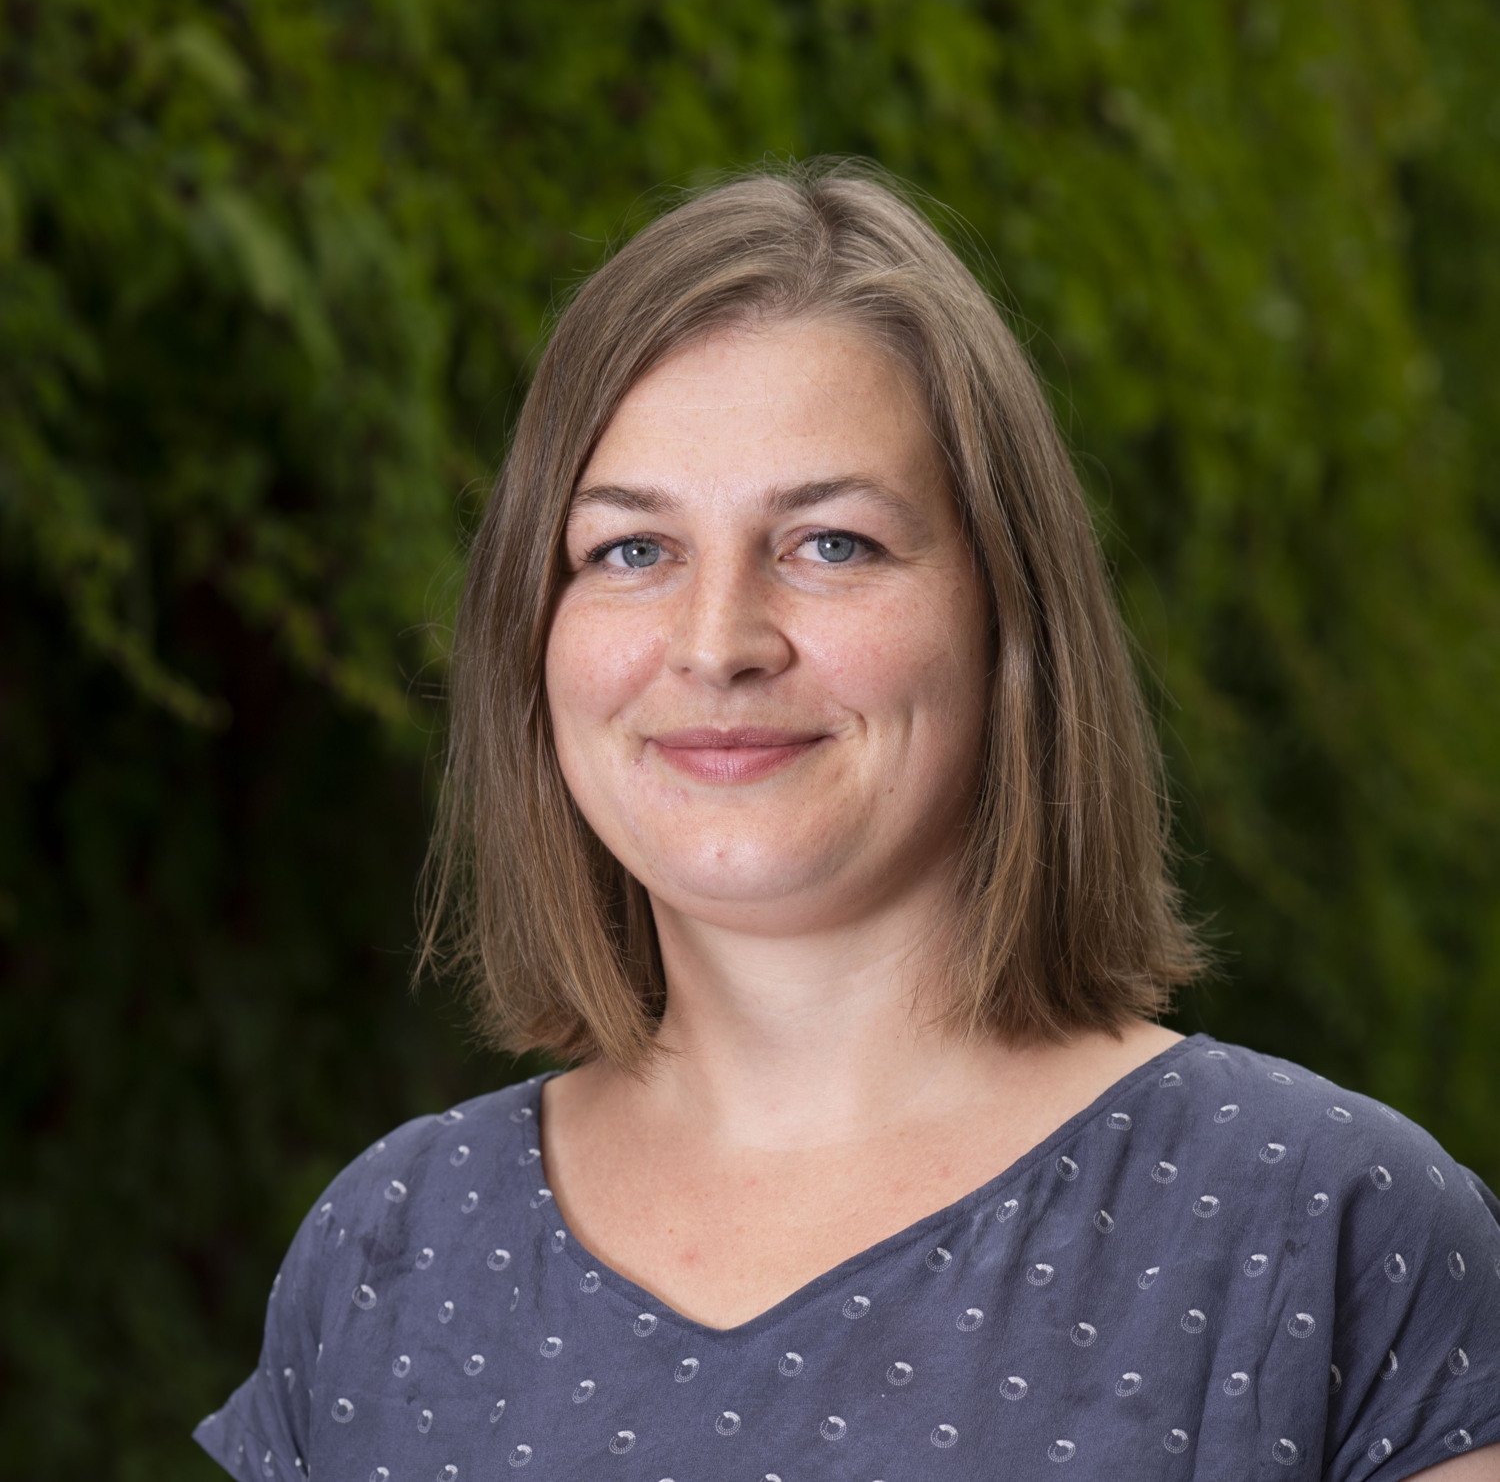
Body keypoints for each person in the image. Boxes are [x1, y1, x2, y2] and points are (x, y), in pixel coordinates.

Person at [192, 159, 1500, 1480]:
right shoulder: (393, 1257)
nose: (718, 644)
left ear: (1010, 622)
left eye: (831, 544)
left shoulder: (1332, 1233)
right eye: (631, 551)